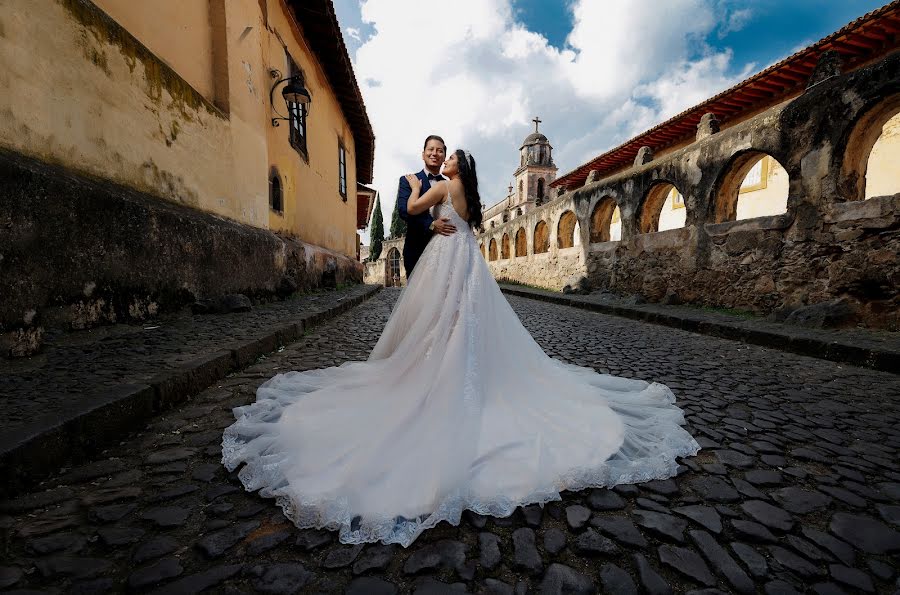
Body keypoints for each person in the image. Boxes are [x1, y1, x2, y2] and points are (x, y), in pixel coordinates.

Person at [222, 149, 699, 547]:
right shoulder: (470, 197)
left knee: (438, 321)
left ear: (455, 169)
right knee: (460, 322)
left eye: (448, 158)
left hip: (446, 259)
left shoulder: (445, 188)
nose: (443, 160)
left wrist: (419, 194)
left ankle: (435, 376)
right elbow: (454, 220)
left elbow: (410, 208)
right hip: (466, 262)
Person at [396, 135, 456, 278]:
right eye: (431, 149)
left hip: (445, 250)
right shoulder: (408, 180)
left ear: (444, 157)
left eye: (440, 150)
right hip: (416, 249)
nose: (434, 153)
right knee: (417, 298)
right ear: (423, 155)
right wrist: (430, 225)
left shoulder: (450, 185)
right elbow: (404, 211)